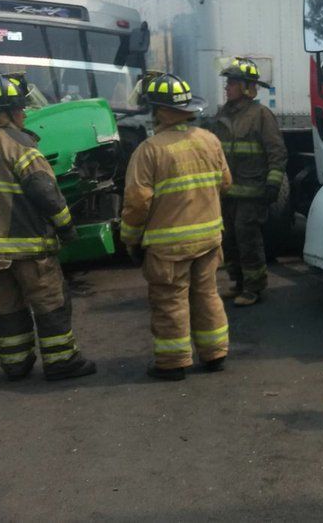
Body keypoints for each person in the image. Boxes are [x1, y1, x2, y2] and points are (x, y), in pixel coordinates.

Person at [0, 74, 96, 381]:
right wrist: (67, 228)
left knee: (8, 304)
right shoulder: (18, 143)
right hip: (28, 247)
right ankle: (62, 362)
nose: (25, 114)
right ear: (10, 111)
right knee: (49, 301)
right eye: (21, 108)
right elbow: (45, 191)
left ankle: (15, 364)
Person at [121, 72, 232, 381]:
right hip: (209, 238)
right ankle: (215, 353)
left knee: (170, 301)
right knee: (207, 294)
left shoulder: (149, 150)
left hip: (168, 248)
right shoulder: (210, 140)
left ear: (158, 110)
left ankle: (172, 362)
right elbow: (226, 183)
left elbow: (136, 204)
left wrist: (130, 240)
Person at [207, 58, 288, 307]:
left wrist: (273, 185)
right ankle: (238, 281)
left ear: (245, 87)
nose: (227, 87)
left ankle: (254, 287)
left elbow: (277, 152)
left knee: (247, 238)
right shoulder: (223, 114)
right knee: (229, 239)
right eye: (227, 83)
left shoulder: (261, 115)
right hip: (228, 191)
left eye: (231, 83)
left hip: (252, 191)